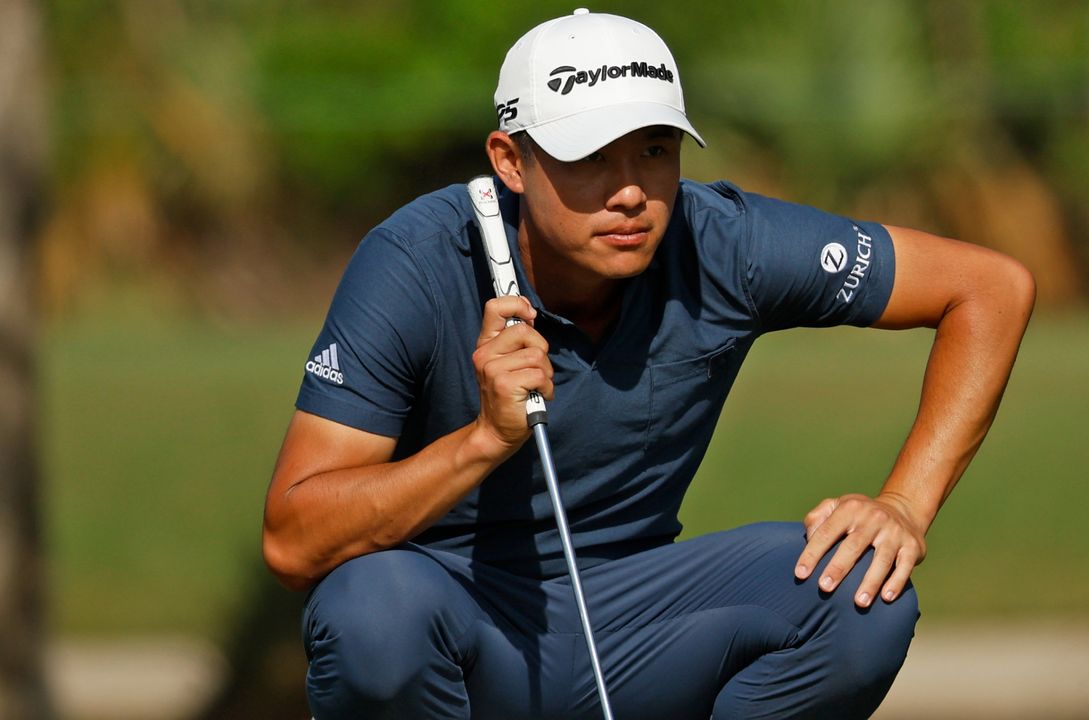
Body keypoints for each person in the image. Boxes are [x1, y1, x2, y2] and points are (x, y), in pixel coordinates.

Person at [262, 9, 1035, 720]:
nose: (631, 190)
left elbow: (990, 289)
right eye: (591, 156)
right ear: (512, 160)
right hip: (456, 619)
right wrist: (481, 442)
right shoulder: (417, 259)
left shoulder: (722, 240)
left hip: (639, 621)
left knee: (861, 593)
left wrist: (903, 505)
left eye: (655, 151)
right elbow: (295, 542)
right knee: (371, 611)